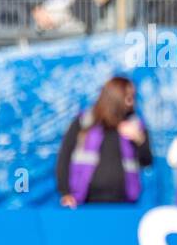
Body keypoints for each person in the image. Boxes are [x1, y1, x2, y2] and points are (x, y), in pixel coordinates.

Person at [55, 75, 152, 207]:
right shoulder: (84, 122)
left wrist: (139, 140)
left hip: (123, 202)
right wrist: (65, 192)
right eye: (128, 98)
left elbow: (147, 161)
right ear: (114, 98)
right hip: (86, 200)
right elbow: (64, 157)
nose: (132, 103)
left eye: (133, 97)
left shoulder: (135, 125)